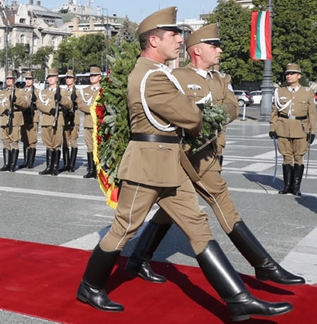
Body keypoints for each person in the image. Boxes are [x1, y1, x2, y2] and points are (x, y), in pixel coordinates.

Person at [75, 7, 291, 323]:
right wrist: (198, 112)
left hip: (169, 165)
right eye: (173, 34)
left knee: (198, 226)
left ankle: (238, 299)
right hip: (147, 167)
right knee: (124, 230)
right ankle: (89, 286)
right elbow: (191, 117)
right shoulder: (151, 76)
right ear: (153, 39)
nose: (180, 39)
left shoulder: (157, 72)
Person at [126, 24, 304, 286]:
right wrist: (202, 114)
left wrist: (207, 113)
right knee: (223, 202)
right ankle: (263, 264)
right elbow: (178, 113)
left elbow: (231, 108)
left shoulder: (221, 79)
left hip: (213, 149)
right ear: (197, 50)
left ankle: (139, 258)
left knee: (168, 209)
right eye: (214, 46)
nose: (220, 50)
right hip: (189, 154)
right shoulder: (177, 76)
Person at [270, 62, 316, 196]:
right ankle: (287, 185)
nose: (289, 76)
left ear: (299, 76)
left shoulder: (307, 92)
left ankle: (296, 186)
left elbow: (312, 114)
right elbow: (275, 111)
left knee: (299, 158)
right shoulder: (280, 91)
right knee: (286, 157)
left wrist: (312, 131)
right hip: (283, 127)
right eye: (287, 74)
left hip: (301, 128)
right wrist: (272, 127)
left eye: (292, 73)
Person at [36, 69, 73, 176]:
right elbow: (38, 104)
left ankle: (55, 166)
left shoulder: (63, 91)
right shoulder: (43, 92)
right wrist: (49, 110)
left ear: (57, 78)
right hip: (46, 119)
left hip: (58, 119)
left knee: (56, 144)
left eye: (52, 76)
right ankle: (49, 166)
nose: (50, 79)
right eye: (49, 77)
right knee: (48, 144)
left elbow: (69, 105)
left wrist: (61, 99)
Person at [0, 72, 29, 171]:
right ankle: (6, 164)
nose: (8, 80)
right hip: (4, 118)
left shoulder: (20, 92)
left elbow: (25, 104)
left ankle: (13, 165)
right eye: (7, 79)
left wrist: (16, 100)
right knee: (5, 141)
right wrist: (3, 110)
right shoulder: (2, 92)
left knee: (14, 141)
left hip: (15, 118)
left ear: (15, 80)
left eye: (11, 79)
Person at [76, 66, 103, 178]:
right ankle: (91, 169)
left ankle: (99, 170)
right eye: (91, 76)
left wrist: (95, 109)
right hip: (88, 122)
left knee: (100, 147)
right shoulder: (84, 91)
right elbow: (81, 104)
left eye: (95, 75)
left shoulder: (103, 90)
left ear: (100, 77)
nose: (92, 77)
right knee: (89, 146)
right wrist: (93, 109)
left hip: (100, 122)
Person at [18, 72, 38, 169]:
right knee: (24, 140)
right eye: (26, 79)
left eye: (30, 79)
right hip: (23, 117)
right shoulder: (22, 92)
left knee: (32, 140)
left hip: (33, 117)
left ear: (33, 80)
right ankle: (25, 161)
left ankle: (31, 162)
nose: (28, 81)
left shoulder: (37, 92)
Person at [60, 70, 80, 172]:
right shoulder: (62, 91)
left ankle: (72, 164)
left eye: (70, 78)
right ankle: (66, 164)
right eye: (67, 78)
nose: (68, 80)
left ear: (74, 79)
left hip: (74, 117)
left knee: (73, 140)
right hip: (64, 116)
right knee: (65, 141)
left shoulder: (77, 91)